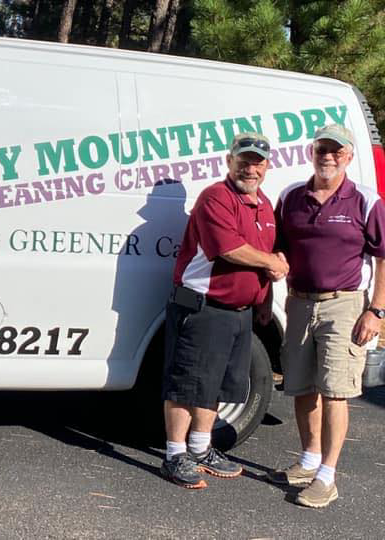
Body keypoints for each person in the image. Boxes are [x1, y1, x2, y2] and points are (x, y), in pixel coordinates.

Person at [161, 132, 289, 489]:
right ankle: (174, 455)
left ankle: (200, 448)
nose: (251, 168)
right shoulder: (215, 197)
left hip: (239, 312)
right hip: (204, 308)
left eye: (258, 161)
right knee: (187, 384)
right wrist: (274, 265)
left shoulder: (264, 205)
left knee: (215, 385)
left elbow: (261, 261)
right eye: (244, 160)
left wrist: (264, 298)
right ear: (229, 161)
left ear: (267, 166)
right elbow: (229, 248)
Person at [268, 124, 385, 508]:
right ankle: (308, 459)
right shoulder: (290, 198)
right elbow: (279, 247)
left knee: (336, 391)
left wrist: (376, 310)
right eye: (322, 149)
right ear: (312, 152)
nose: (328, 157)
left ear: (349, 156)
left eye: (337, 151)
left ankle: (327, 476)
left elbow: (383, 258)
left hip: (345, 305)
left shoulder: (366, 200)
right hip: (299, 303)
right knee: (302, 387)